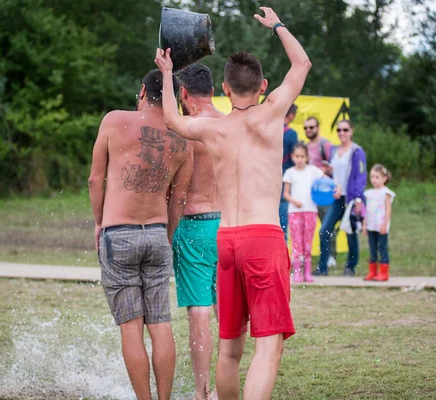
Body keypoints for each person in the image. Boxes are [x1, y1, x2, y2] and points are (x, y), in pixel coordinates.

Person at [155, 6, 312, 399]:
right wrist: (277, 25)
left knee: (230, 348)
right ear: (263, 87)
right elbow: (303, 62)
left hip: (227, 239)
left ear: (225, 89)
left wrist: (169, 74)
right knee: (269, 345)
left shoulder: (213, 128)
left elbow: (173, 120)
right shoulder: (272, 113)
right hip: (262, 238)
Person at [88, 69, 194, 400]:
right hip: (157, 234)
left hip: (118, 231)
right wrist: (168, 233)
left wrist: (98, 222)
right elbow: (178, 198)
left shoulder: (115, 120)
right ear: (175, 97)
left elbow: (95, 179)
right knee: (160, 324)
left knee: (131, 327)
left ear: (142, 91)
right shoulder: (183, 138)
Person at [171, 63, 224, 400]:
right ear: (215, 92)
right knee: (228, 311)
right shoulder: (231, 124)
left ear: (184, 94)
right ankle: (224, 387)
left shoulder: (185, 128)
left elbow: (175, 189)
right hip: (229, 224)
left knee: (200, 313)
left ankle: (202, 393)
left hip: (194, 226)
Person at [315, 119, 367, 277]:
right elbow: (335, 173)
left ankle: (350, 267)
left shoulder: (357, 151)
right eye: (339, 130)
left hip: (350, 198)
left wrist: (358, 199)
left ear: (351, 131)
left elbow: (360, 176)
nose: (342, 133)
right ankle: (322, 267)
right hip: (337, 197)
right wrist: (329, 172)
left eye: (345, 130)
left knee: (350, 233)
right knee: (324, 230)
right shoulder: (334, 151)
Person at [283, 143, 326, 283]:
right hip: (295, 212)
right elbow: (286, 194)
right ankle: (296, 272)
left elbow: (326, 180)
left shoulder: (313, 171)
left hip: (310, 212)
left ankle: (307, 272)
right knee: (296, 243)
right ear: (292, 157)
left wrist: (336, 188)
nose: (299, 159)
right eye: (297, 156)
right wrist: (294, 201)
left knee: (308, 243)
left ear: (307, 157)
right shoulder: (290, 172)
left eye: (302, 156)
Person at [304, 116, 337, 267]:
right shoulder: (305, 147)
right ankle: (305, 256)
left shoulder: (325, 145)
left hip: (324, 193)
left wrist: (320, 170)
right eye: (306, 128)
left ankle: (331, 255)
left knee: (327, 224)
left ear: (318, 128)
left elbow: (333, 167)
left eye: (311, 127)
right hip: (309, 192)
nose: (308, 130)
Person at [363, 164, 396, 281]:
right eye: (372, 177)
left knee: (382, 248)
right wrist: (364, 224)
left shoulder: (386, 193)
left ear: (384, 178)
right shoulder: (368, 193)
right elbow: (366, 210)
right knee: (372, 248)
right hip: (371, 225)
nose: (374, 180)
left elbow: (388, 210)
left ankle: (384, 272)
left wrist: (385, 224)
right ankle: (372, 271)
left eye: (377, 177)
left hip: (381, 226)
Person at [279, 104, 298, 240]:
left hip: (266, 178)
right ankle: (281, 252)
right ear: (291, 115)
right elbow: (294, 159)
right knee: (282, 220)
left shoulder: (270, 129)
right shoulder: (291, 134)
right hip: (284, 178)